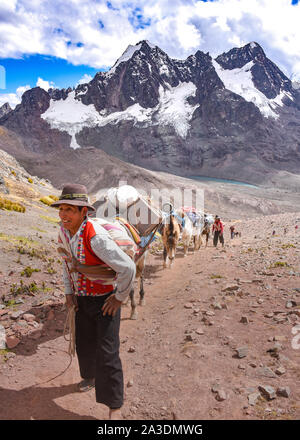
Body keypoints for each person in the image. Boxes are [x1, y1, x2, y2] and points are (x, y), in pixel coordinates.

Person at [51, 183, 136, 420]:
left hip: (105, 301)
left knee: (108, 352)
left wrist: (118, 298)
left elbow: (128, 268)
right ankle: (88, 377)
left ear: (83, 213)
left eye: (70, 209)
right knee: (84, 343)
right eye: (62, 208)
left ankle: (114, 406)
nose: (64, 214)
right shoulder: (64, 233)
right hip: (82, 299)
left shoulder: (96, 238)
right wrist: (69, 293)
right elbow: (66, 264)